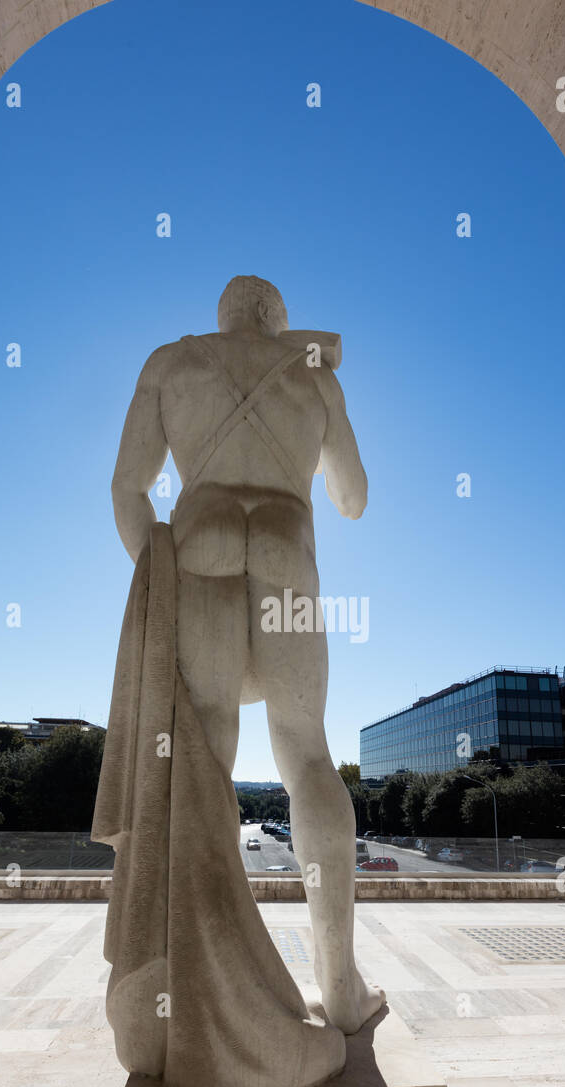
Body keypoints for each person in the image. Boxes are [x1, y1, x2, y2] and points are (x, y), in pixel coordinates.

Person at [109, 275, 383, 1035]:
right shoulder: (313, 372)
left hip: (202, 545)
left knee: (208, 756)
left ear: (224, 314)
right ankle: (341, 985)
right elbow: (354, 496)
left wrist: (155, 577)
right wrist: (324, 393)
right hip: (287, 548)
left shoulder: (171, 362)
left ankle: (200, 990)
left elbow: (125, 488)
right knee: (307, 758)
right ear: (277, 317)